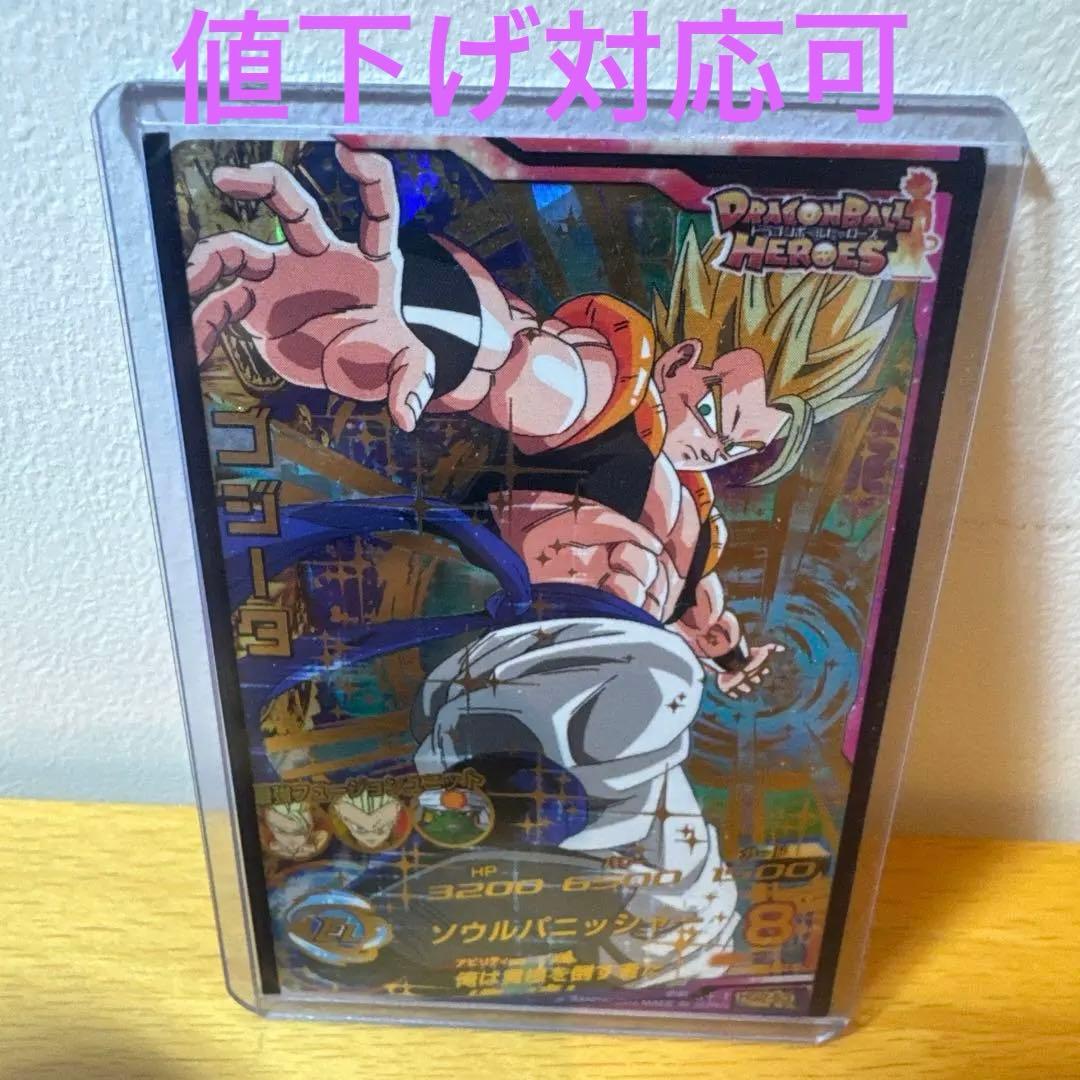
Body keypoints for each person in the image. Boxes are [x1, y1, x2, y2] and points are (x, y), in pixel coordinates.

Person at [188, 143, 895, 982]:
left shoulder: (691, 521)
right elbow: (523, 366)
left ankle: (447, 912)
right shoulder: (607, 402)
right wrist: (419, 314)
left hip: (571, 688)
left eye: (740, 445)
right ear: (678, 362)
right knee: (635, 755)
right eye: (713, 409)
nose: (714, 442)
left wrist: (736, 659)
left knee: (682, 897)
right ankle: (454, 883)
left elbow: (700, 612)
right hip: (569, 661)